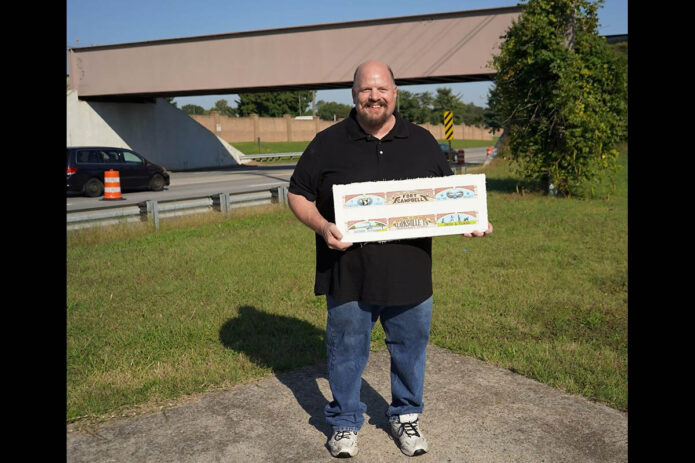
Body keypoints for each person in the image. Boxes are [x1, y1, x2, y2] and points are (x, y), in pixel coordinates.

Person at [287, 59, 493, 458]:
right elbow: (298, 193)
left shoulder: (422, 141)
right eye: (366, 89)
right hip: (348, 275)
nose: (374, 96)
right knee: (346, 351)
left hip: (410, 275)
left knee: (410, 350)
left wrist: (469, 220)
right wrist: (322, 226)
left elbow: (450, 196)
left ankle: (406, 415)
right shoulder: (327, 142)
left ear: (395, 94)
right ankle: (345, 422)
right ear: (354, 95)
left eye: (382, 89)